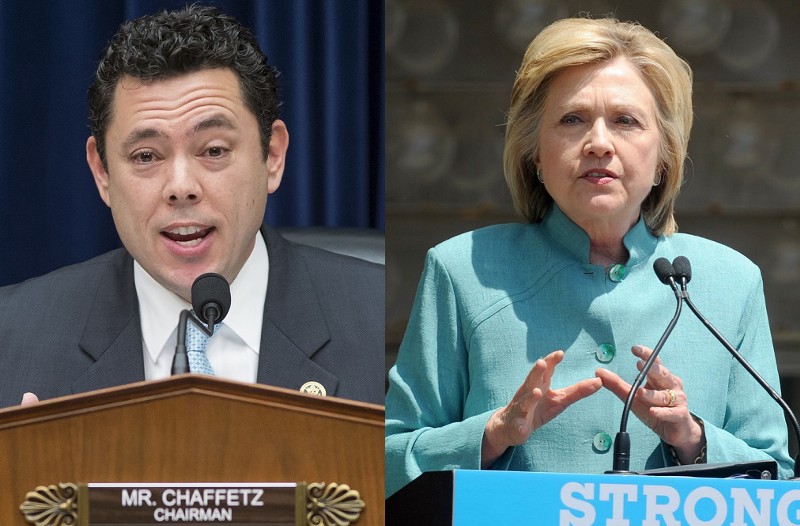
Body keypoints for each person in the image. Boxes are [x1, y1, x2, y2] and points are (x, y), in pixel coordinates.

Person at [384, 17, 793, 497]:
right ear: (535, 153)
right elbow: (387, 462)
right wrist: (492, 435)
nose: (599, 143)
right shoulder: (463, 270)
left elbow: (778, 477)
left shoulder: (730, 281)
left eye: (625, 121)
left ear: (664, 156)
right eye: (572, 119)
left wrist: (691, 438)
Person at [0, 5, 384, 408]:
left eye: (213, 150)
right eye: (146, 156)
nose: (181, 187)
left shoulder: (381, 319)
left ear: (272, 156)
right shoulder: (12, 339)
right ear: (102, 172)